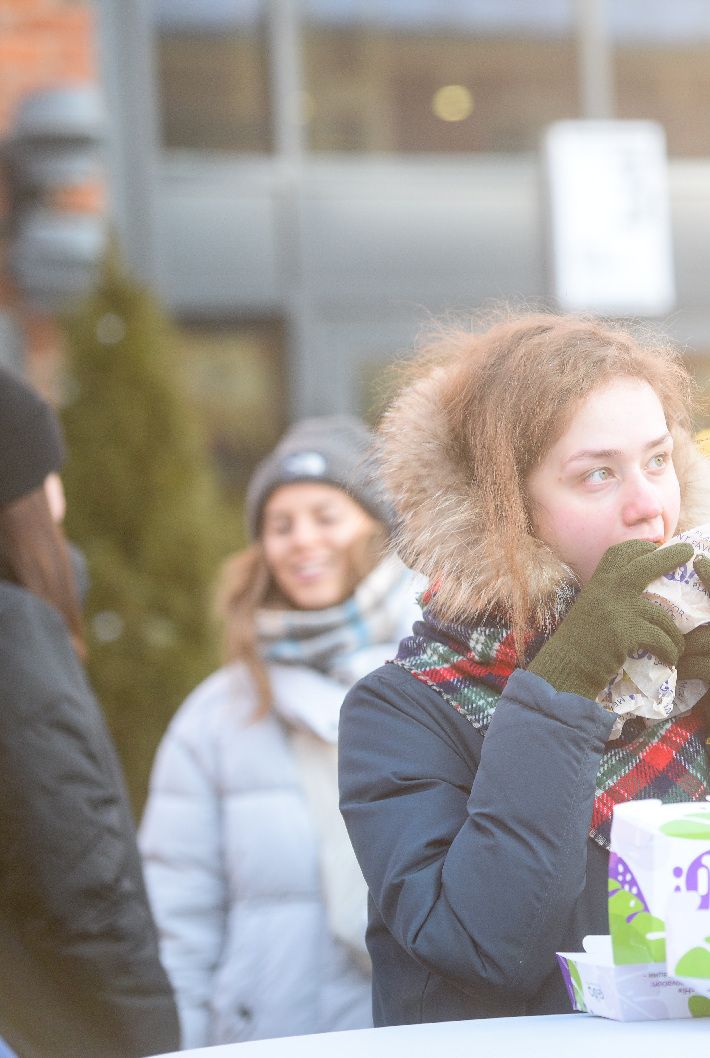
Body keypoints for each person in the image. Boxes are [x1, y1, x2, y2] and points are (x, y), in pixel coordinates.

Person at [337, 313, 710, 1025]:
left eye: (658, 460)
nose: (648, 506)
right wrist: (565, 684)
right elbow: (484, 952)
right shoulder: (400, 712)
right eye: (597, 475)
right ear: (503, 512)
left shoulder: (694, 677)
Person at [138, 416, 421, 1048]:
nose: (302, 541)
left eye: (326, 516)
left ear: (380, 527)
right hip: (264, 1038)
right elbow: (179, 917)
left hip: (411, 1033)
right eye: (281, 524)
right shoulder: (216, 717)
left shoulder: (445, 682)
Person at [0, 338, 179, 1058]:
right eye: (47, 470)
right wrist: (149, 1037)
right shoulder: (6, 629)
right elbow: (78, 883)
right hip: (34, 1023)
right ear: (11, 491)